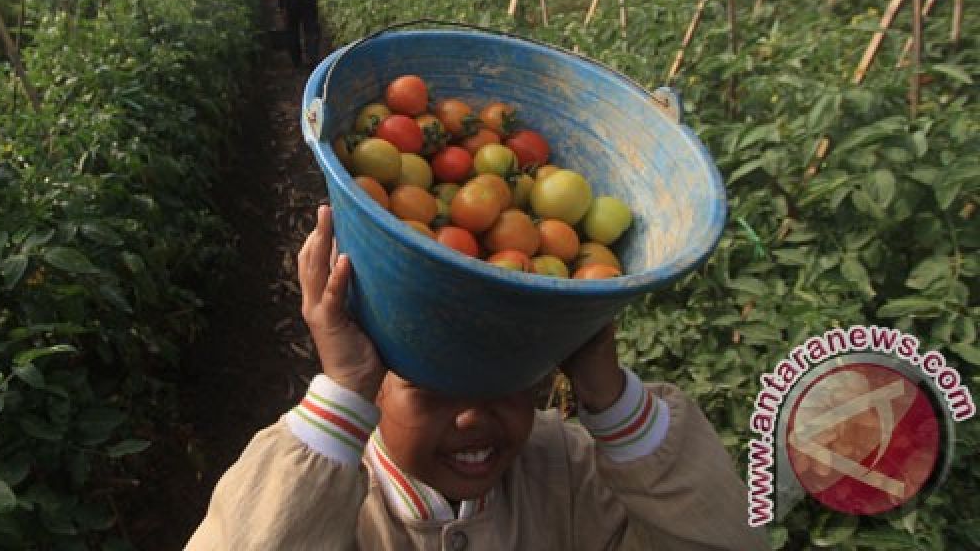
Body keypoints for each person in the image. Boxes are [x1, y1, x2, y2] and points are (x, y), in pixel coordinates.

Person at [187, 205, 768, 550]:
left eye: (503, 380)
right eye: (429, 385)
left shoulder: (574, 476)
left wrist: (610, 397)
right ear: (374, 383)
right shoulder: (328, 505)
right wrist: (340, 396)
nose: (472, 416)